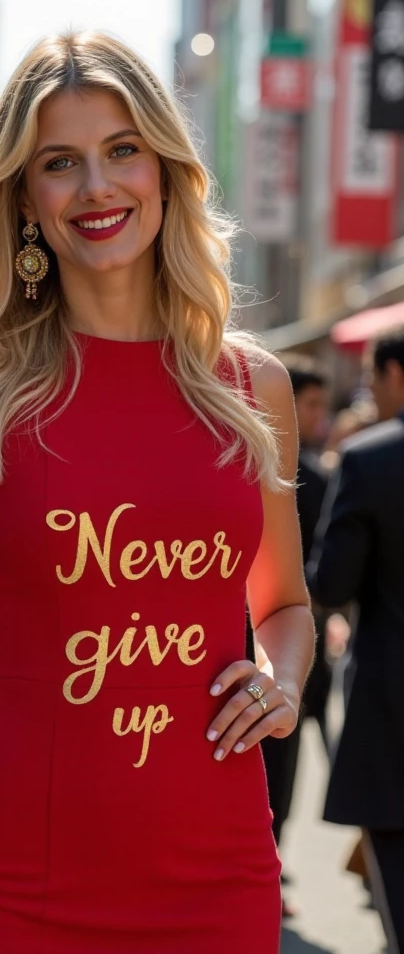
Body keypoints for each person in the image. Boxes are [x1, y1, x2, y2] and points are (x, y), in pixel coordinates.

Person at [0, 31, 314, 954]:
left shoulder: (254, 388)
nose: (97, 188)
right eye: (59, 163)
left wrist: (283, 676)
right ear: (24, 197)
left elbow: (286, 605)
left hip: (218, 869)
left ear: (166, 169)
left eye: (122, 151)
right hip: (17, 875)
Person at [307, 326, 404, 954]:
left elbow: (331, 584)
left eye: (372, 377)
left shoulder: (370, 459)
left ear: (396, 376)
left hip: (393, 707)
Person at [260, 361, 329, 908]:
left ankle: (271, 855)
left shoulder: (321, 475)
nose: (315, 417)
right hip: (247, 637)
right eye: (310, 406)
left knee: (284, 761)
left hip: (290, 640)